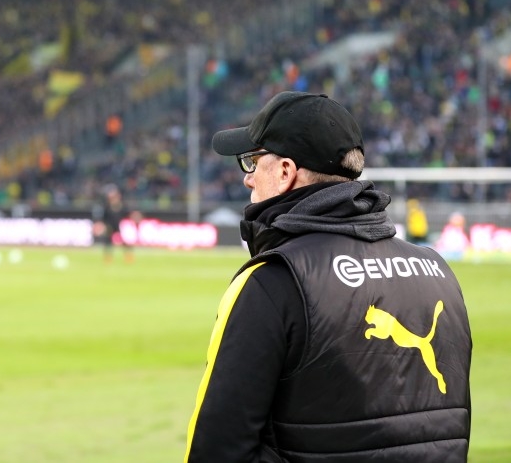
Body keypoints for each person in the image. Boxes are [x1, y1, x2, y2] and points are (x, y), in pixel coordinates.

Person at [185, 91, 472, 462]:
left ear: (285, 172)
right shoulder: (438, 272)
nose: (248, 179)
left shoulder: (273, 281)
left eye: (253, 162)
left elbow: (216, 450)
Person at [92, 184, 133, 263]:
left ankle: (128, 256)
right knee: (108, 243)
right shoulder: (107, 207)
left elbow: (127, 215)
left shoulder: (122, 206)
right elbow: (103, 218)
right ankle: (108, 258)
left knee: (124, 242)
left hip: (120, 227)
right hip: (110, 227)